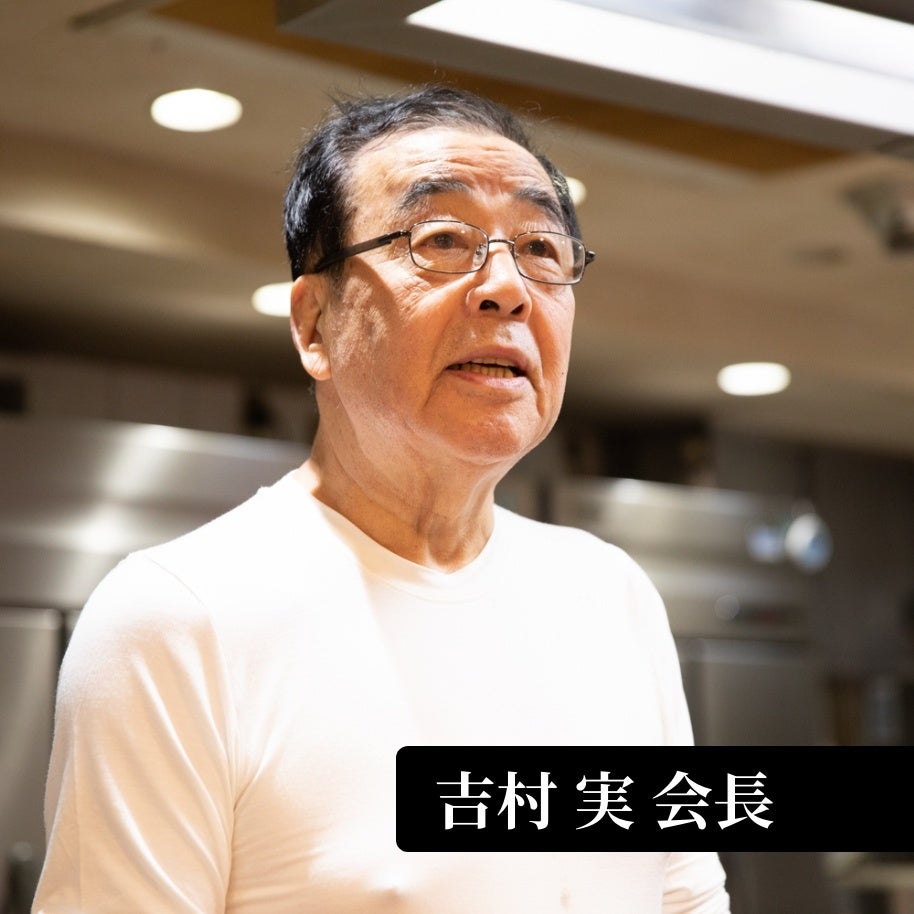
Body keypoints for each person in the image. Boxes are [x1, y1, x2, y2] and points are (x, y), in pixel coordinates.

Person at [32, 84, 731, 913]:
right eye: (441, 240)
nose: (507, 287)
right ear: (314, 324)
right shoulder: (182, 618)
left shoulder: (608, 593)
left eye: (541, 248)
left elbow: (686, 897)